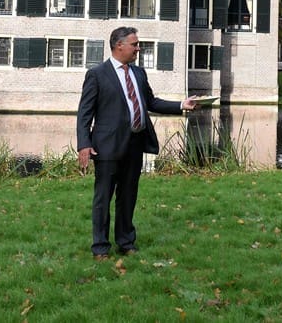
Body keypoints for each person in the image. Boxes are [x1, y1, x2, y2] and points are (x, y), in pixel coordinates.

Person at [76, 26, 197, 259]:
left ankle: (126, 242)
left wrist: (181, 105)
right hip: (107, 147)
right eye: (135, 44)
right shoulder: (97, 74)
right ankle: (100, 247)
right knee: (103, 198)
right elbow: (84, 114)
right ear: (119, 45)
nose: (138, 48)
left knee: (128, 196)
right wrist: (84, 144)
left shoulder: (139, 73)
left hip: (134, 145)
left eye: (138, 44)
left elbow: (151, 102)